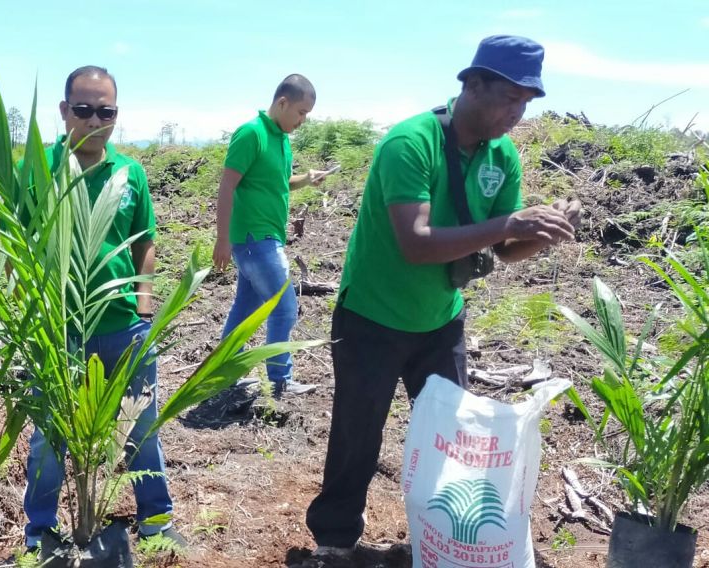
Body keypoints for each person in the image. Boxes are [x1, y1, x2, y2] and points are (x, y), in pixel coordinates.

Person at [305, 35, 582, 557]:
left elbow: (502, 249)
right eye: (509, 97)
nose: (516, 113)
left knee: (452, 440)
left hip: (440, 320)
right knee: (357, 439)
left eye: (526, 103)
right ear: (472, 84)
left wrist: (539, 235)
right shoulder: (411, 143)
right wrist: (509, 222)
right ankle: (334, 544)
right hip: (373, 316)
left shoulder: (503, 156)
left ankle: (442, 542)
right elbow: (416, 243)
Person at [23, 65, 184, 551]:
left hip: (122, 328)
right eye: (84, 110)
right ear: (64, 111)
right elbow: (19, 237)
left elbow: (146, 241)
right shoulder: (37, 169)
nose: (95, 120)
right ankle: (40, 534)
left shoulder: (130, 172)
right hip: (59, 329)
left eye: (106, 111)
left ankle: (156, 521)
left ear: (116, 114)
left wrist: (145, 303)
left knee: (140, 429)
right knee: (49, 438)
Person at [212, 74, 331, 396]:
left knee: (244, 308)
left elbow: (277, 184)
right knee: (284, 307)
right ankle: (280, 379)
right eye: (301, 112)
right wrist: (222, 238)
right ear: (282, 103)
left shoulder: (281, 139)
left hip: (266, 237)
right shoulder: (252, 133)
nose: (303, 121)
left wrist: (307, 178)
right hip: (253, 238)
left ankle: (223, 373)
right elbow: (227, 185)